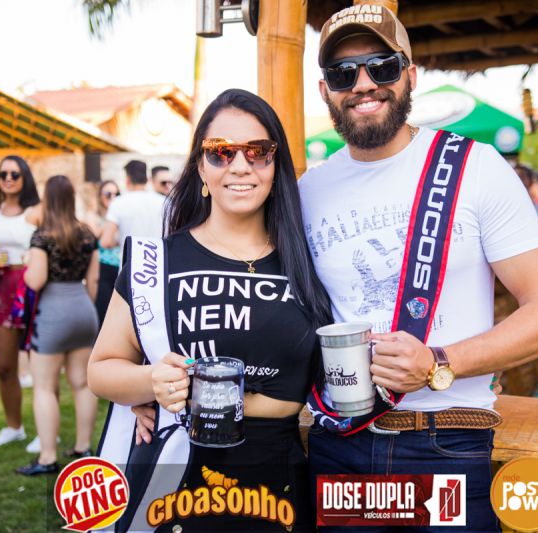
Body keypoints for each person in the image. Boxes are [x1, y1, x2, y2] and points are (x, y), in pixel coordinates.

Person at [300, 7, 538, 532]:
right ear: (324, 90)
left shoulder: (476, 166)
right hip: (339, 445)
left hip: (444, 440)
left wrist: (438, 361)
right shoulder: (306, 192)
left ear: (410, 75)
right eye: (343, 73)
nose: (363, 84)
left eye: (382, 66)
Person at [88, 89, 331, 532]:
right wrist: (151, 382)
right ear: (201, 166)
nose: (239, 165)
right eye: (220, 152)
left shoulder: (308, 261)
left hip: (278, 491)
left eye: (257, 151)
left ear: (275, 164)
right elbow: (101, 370)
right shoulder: (156, 264)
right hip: (175, 487)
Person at [15, 175, 100, 475]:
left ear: (47, 199)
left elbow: (36, 280)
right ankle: (83, 447)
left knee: (44, 387)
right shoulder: (87, 233)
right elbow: (93, 281)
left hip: (52, 313)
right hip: (83, 310)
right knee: (82, 383)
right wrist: (85, 306)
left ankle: (47, 457)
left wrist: (26, 266)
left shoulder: (42, 236)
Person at [0, 155, 41, 448]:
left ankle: (46, 431)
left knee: (41, 366)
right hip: (3, 288)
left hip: (32, 288)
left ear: (24, 177)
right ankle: (13, 426)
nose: (7, 179)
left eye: (14, 174)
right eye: (3, 174)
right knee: (4, 366)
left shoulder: (37, 210)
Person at [99, 159, 165, 260]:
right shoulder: (164, 201)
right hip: (157, 263)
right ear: (146, 179)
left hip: (129, 264)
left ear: (128, 179)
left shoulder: (118, 202)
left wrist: (121, 242)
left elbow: (105, 242)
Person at [85, 180, 121, 326]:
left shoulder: (120, 215)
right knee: (103, 311)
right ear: (100, 196)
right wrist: (111, 217)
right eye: (108, 194)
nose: (113, 197)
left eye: (117, 194)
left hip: (120, 267)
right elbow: (94, 236)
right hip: (101, 268)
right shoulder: (92, 215)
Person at [514, 164, 538, 235]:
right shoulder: (506, 208)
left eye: (522, 177)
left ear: (531, 181)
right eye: (515, 176)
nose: (518, 180)